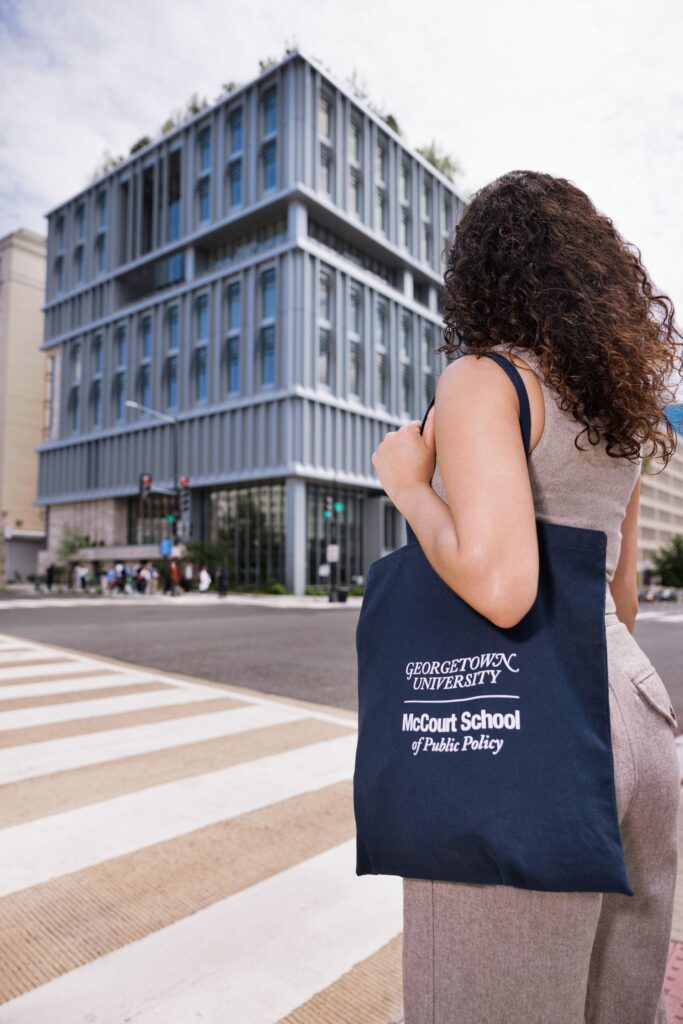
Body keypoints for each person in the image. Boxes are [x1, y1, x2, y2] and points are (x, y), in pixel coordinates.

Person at [371, 170, 682, 1024]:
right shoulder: (616, 411)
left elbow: (501, 588)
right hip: (636, 718)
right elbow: (617, 600)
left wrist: (407, 485)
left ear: (479, 276)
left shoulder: (483, 380)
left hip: (519, 731)